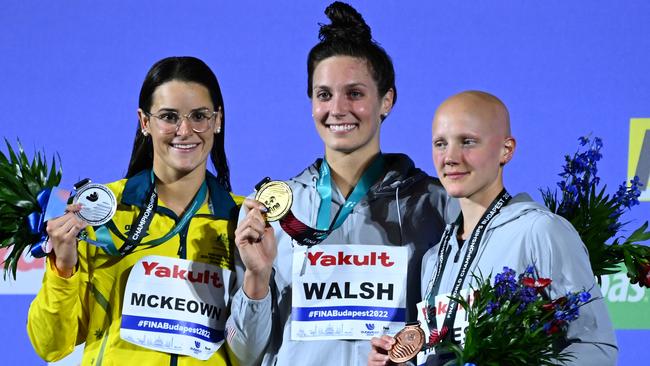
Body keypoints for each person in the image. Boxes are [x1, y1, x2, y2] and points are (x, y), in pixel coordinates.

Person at [225, 2, 453, 366]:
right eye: (324, 94)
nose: (338, 109)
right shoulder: (268, 210)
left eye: (356, 93)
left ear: (387, 101)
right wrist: (257, 275)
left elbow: (455, 337)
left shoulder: (438, 205)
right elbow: (243, 352)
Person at [368, 91, 618, 365]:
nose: (450, 157)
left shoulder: (540, 231)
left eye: (468, 142)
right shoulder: (434, 257)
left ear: (506, 150)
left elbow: (597, 349)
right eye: (440, 143)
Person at [27, 56, 243, 365]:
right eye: (169, 116)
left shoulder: (244, 222)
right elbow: (50, 344)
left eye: (199, 115)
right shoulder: (98, 212)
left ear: (217, 120)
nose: (185, 130)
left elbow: (255, 343)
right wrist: (62, 265)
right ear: (145, 122)